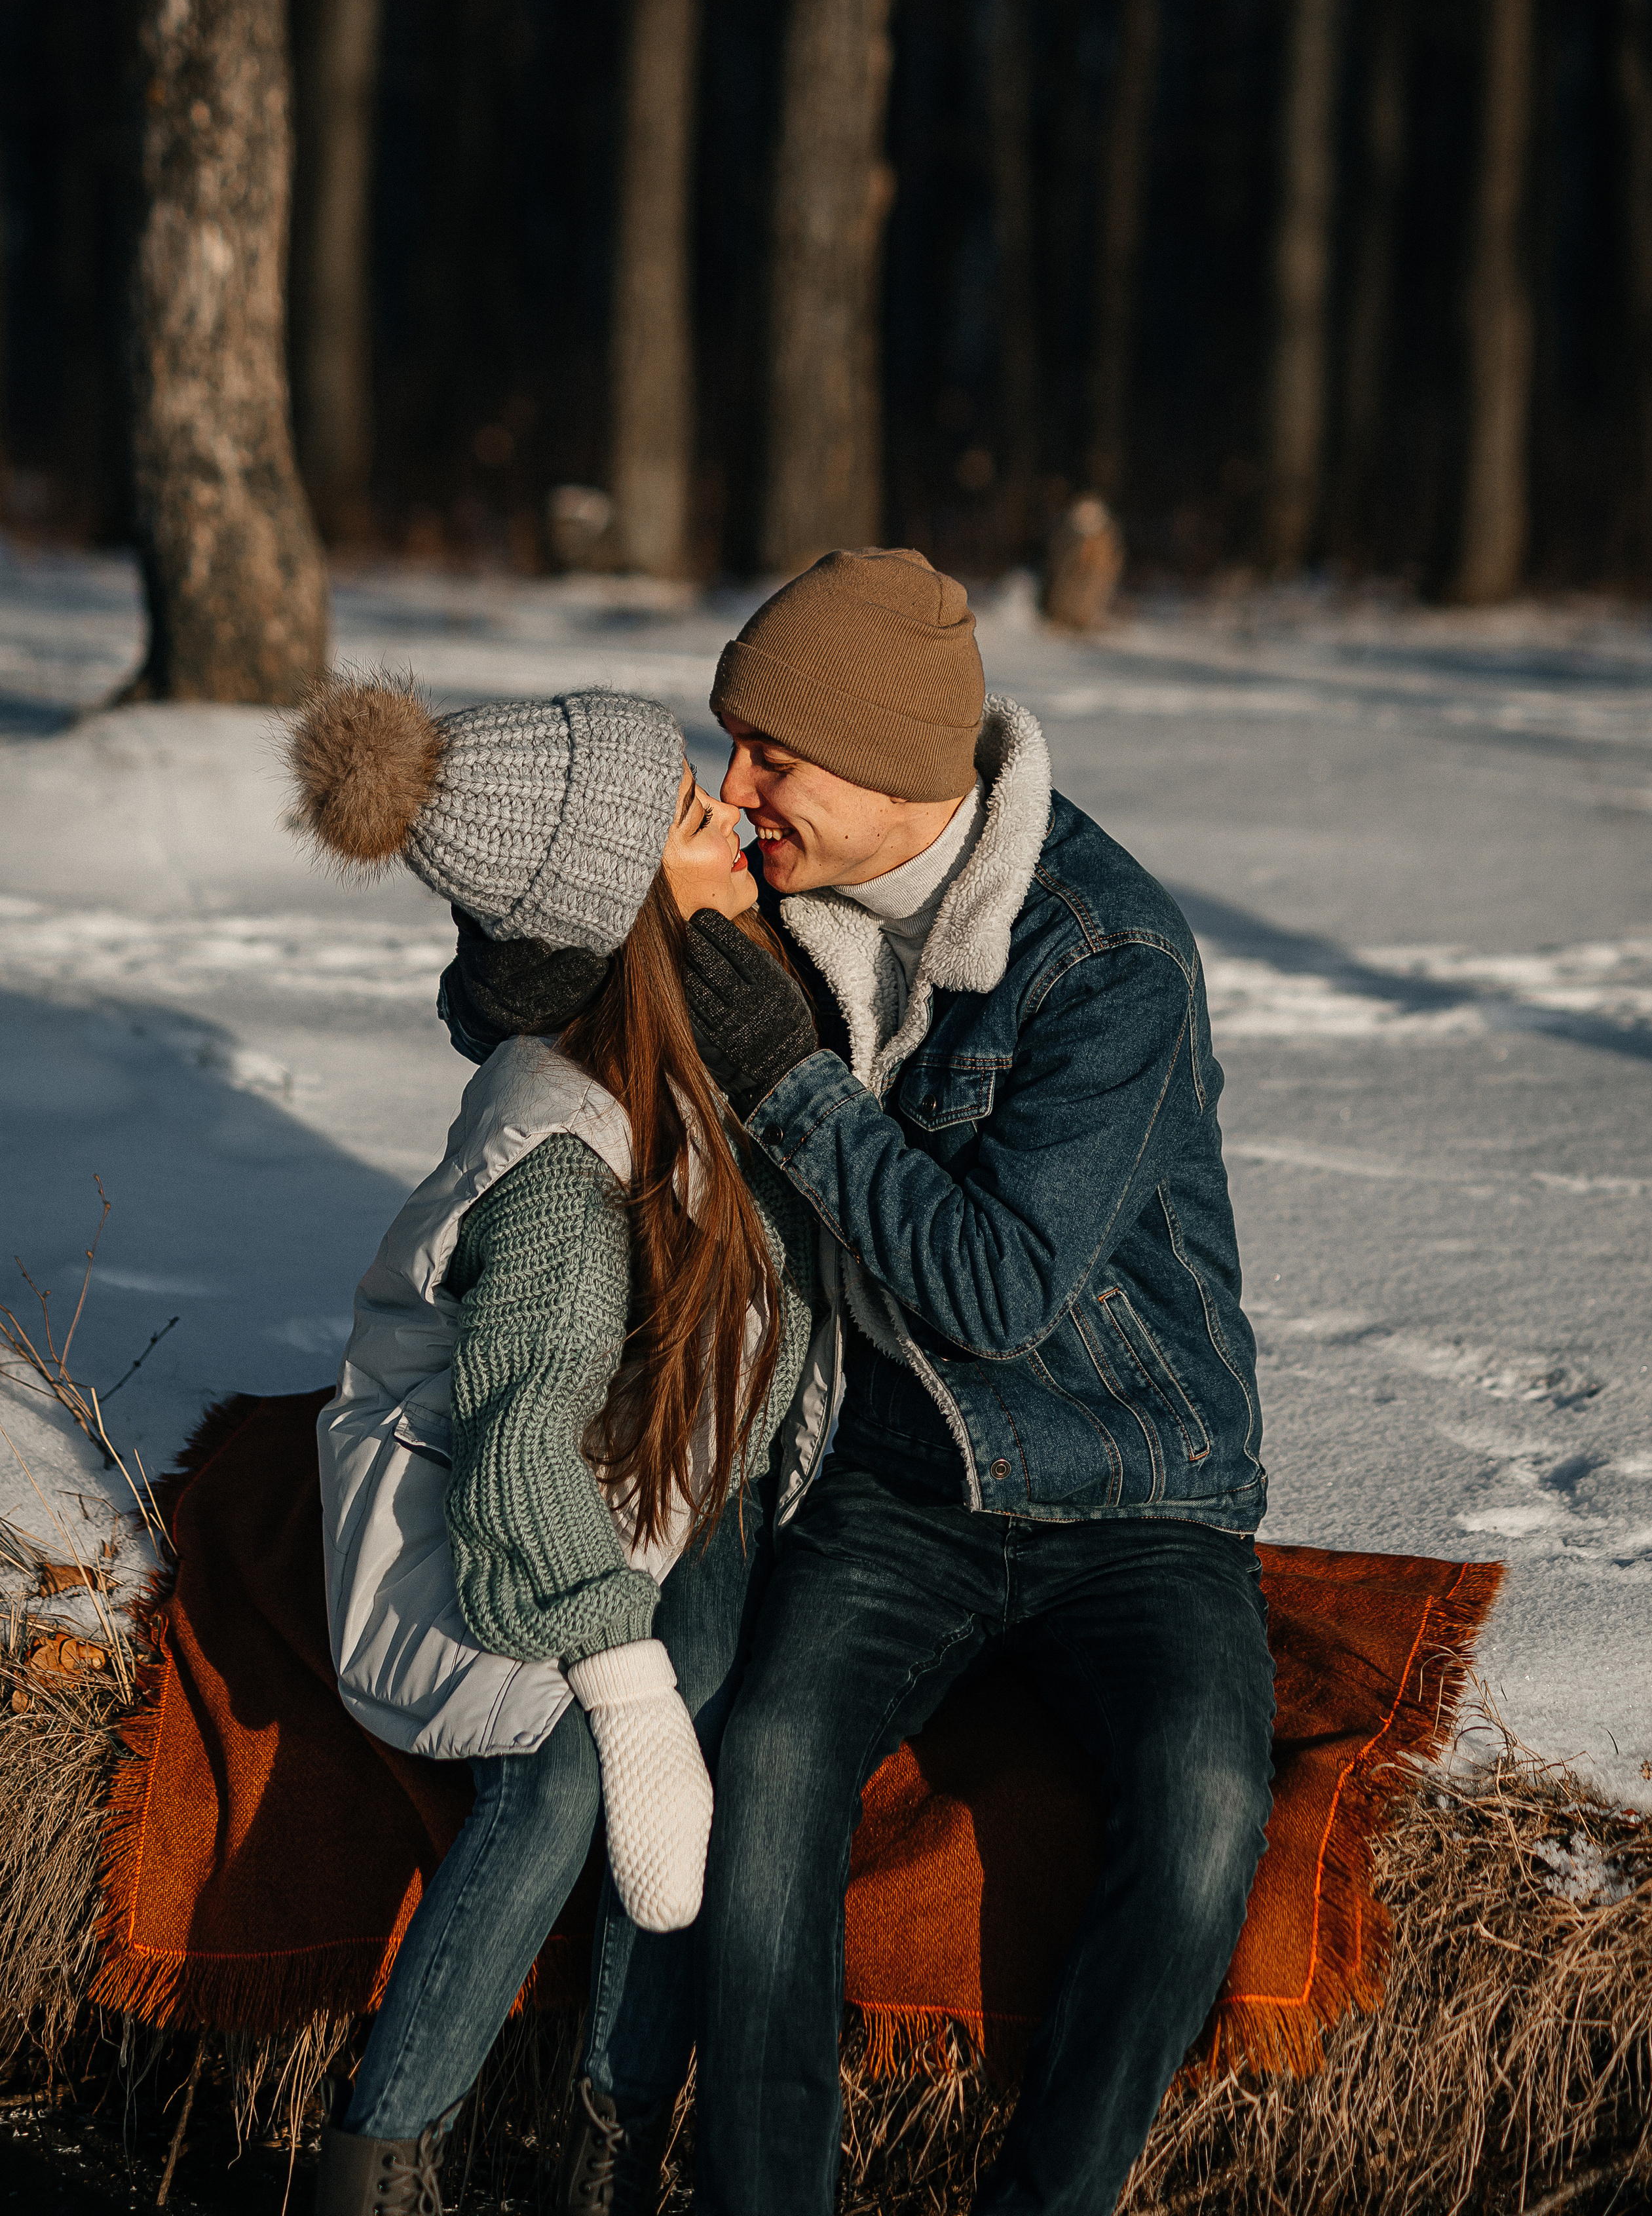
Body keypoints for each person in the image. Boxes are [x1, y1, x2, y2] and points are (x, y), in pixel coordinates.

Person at [447, 550, 1275, 2215]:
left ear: (901, 767)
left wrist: (782, 1069)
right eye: (727, 743)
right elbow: (491, 1016)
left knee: (1203, 1809)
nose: (733, 791)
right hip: (889, 1484)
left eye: (772, 758)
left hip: (1134, 1487)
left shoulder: (1107, 958)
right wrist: (543, 950)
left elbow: (996, 1289)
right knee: (762, 1789)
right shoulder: (762, 884)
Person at [287, 678, 825, 2216]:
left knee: (713, 1705)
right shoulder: (564, 1171)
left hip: (662, 1481)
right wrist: (626, 1686)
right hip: (495, 1506)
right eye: (687, 818)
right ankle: (380, 2151)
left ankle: (610, 2141)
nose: (728, 815)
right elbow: (522, 1454)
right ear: (621, 912)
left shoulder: (700, 1035)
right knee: (584, 1762)